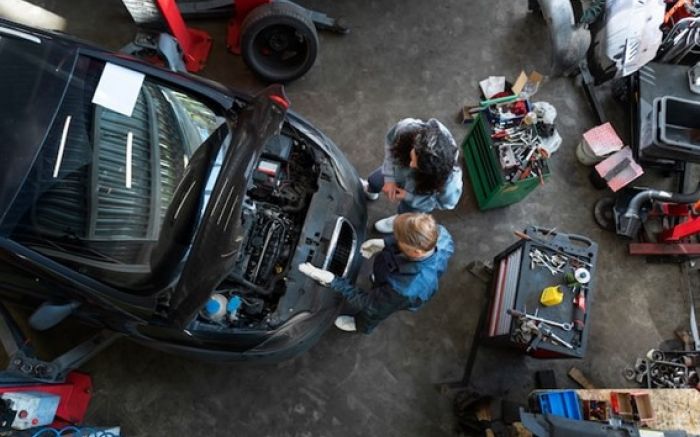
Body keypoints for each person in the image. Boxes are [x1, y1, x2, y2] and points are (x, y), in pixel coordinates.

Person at [298, 213, 454, 334]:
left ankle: (361, 327)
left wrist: (333, 280)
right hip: (391, 277)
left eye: (399, 240)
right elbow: (407, 238)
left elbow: (371, 304)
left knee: (373, 313)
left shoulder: (404, 289)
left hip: (398, 297)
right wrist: (385, 243)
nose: (396, 239)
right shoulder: (440, 233)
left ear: (416, 252)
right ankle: (380, 283)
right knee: (382, 287)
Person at [363, 118, 463, 233]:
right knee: (374, 181)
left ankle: (399, 220)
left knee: (406, 211)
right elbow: (391, 147)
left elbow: (445, 204)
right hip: (397, 172)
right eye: (413, 157)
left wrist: (409, 196)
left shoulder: (451, 181)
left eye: (419, 167)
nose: (411, 165)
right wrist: (390, 179)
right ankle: (370, 191)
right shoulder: (407, 129)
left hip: (417, 194)